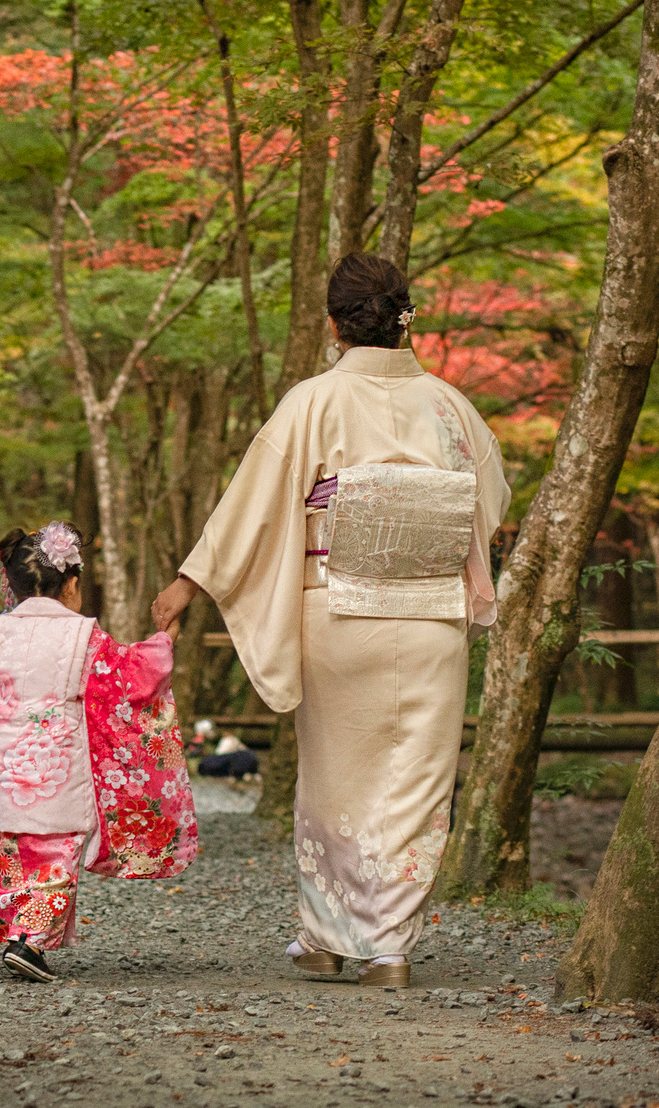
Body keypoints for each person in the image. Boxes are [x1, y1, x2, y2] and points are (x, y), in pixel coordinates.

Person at [151, 253, 506, 991]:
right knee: (418, 780)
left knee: (336, 780)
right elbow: (489, 501)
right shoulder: (451, 406)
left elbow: (252, 504)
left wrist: (191, 581)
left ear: (335, 324)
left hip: (339, 612)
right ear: (403, 318)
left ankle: (327, 937)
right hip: (431, 616)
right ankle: (390, 947)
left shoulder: (312, 401)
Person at [0, 523, 196, 984]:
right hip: (58, 767)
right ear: (72, 585)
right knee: (56, 852)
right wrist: (165, 642)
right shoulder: (85, 637)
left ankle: (15, 932)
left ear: (12, 584)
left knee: (9, 852)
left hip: (0, 769)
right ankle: (31, 941)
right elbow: (131, 676)